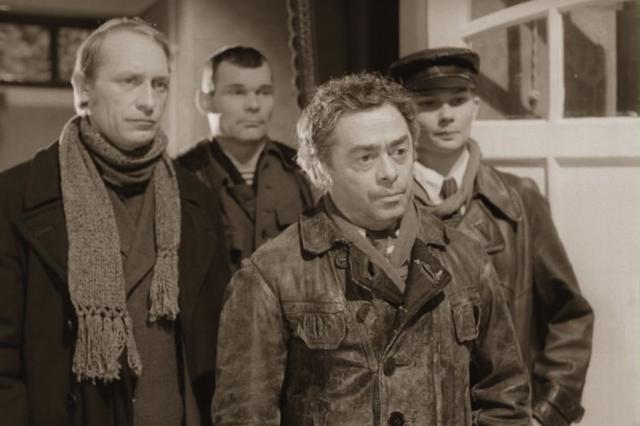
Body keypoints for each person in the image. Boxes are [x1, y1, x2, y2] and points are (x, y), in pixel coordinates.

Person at [212, 73, 531, 425]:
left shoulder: (466, 255)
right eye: (366, 158)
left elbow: (506, 397)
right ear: (321, 169)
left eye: (399, 151)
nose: (389, 172)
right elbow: (244, 417)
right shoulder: (270, 274)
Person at [0, 17, 230, 426]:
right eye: (129, 81)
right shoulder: (17, 198)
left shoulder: (197, 200)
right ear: (82, 89)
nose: (149, 101)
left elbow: (218, 343)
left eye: (160, 84)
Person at [388, 47, 594, 426]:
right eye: (429, 103)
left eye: (458, 100)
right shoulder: (384, 206)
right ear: (406, 115)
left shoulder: (519, 200)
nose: (447, 115)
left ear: (476, 107)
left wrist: (545, 414)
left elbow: (569, 315)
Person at [178, 46, 314, 270]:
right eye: (237, 92)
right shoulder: (181, 178)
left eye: (264, 92)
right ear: (205, 101)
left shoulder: (304, 171)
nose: (253, 105)